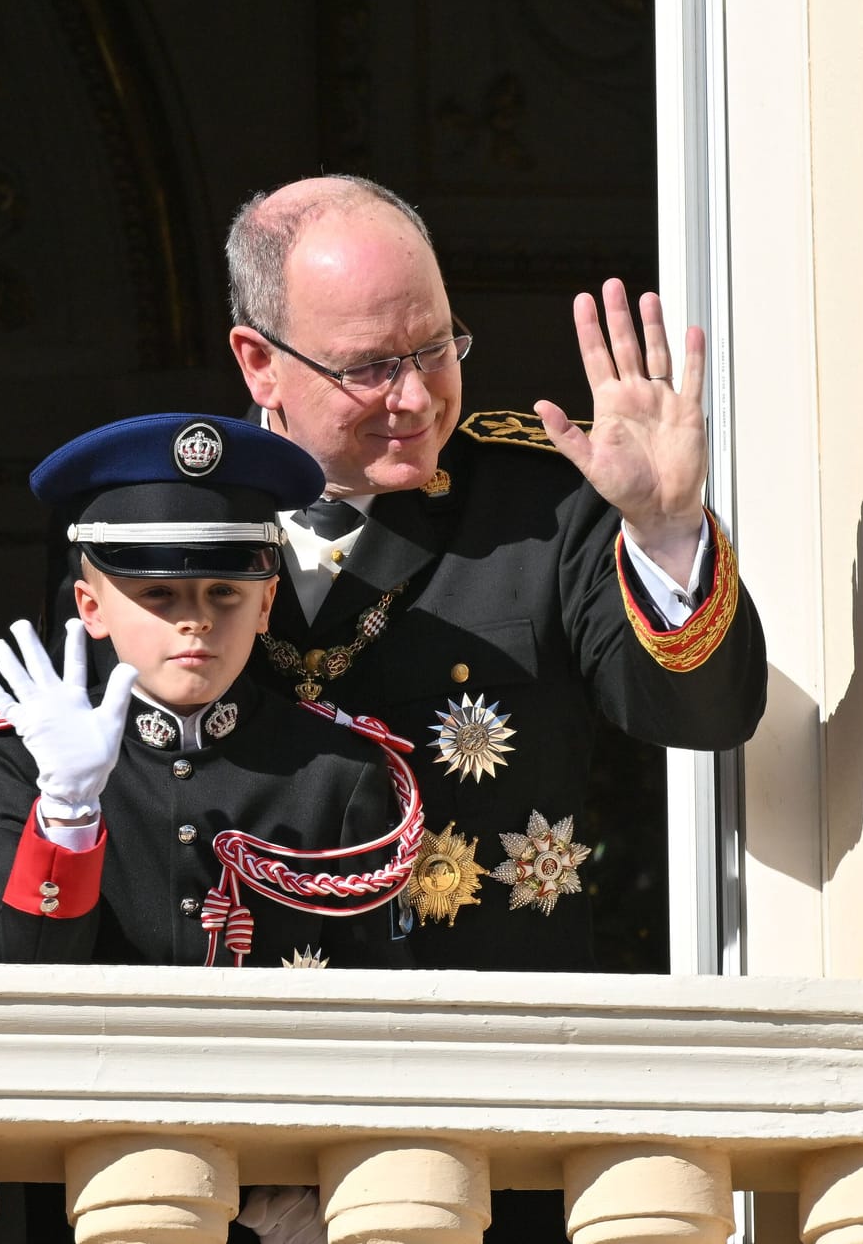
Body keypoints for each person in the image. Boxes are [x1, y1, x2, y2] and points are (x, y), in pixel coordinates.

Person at [221, 175, 767, 1243]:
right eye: (373, 367)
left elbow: (707, 712)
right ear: (259, 362)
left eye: (436, 347)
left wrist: (664, 531)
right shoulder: (167, 521)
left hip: (495, 1137)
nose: (419, 397)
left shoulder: (545, 504)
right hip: (239, 1145)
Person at [0, 413, 417, 968]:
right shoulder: (32, 759)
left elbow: (379, 1003)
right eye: (158, 593)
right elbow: (17, 985)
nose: (195, 621)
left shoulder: (338, 770)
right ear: (91, 607)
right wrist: (68, 816)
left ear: (266, 604)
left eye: (224, 590)